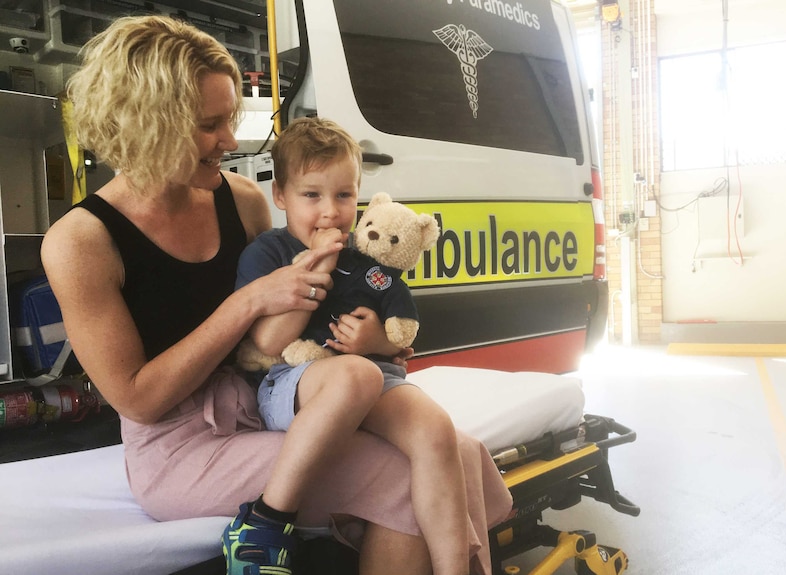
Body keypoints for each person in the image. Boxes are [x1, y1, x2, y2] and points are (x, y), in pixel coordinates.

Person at [41, 14, 511, 575]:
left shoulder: (238, 199)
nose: (229, 141)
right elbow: (139, 399)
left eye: (230, 119)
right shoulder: (81, 241)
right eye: (210, 125)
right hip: (183, 450)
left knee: (452, 450)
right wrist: (249, 302)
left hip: (266, 407)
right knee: (406, 477)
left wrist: (371, 342)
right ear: (149, 123)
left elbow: (296, 325)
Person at [235, 117, 469, 575]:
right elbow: (269, 340)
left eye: (344, 195)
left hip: (368, 375)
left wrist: (376, 339)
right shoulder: (269, 253)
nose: (330, 212)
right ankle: (268, 519)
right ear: (279, 196)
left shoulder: (367, 256)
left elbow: (395, 327)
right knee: (355, 375)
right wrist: (318, 267)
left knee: (437, 432)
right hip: (292, 383)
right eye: (311, 195)